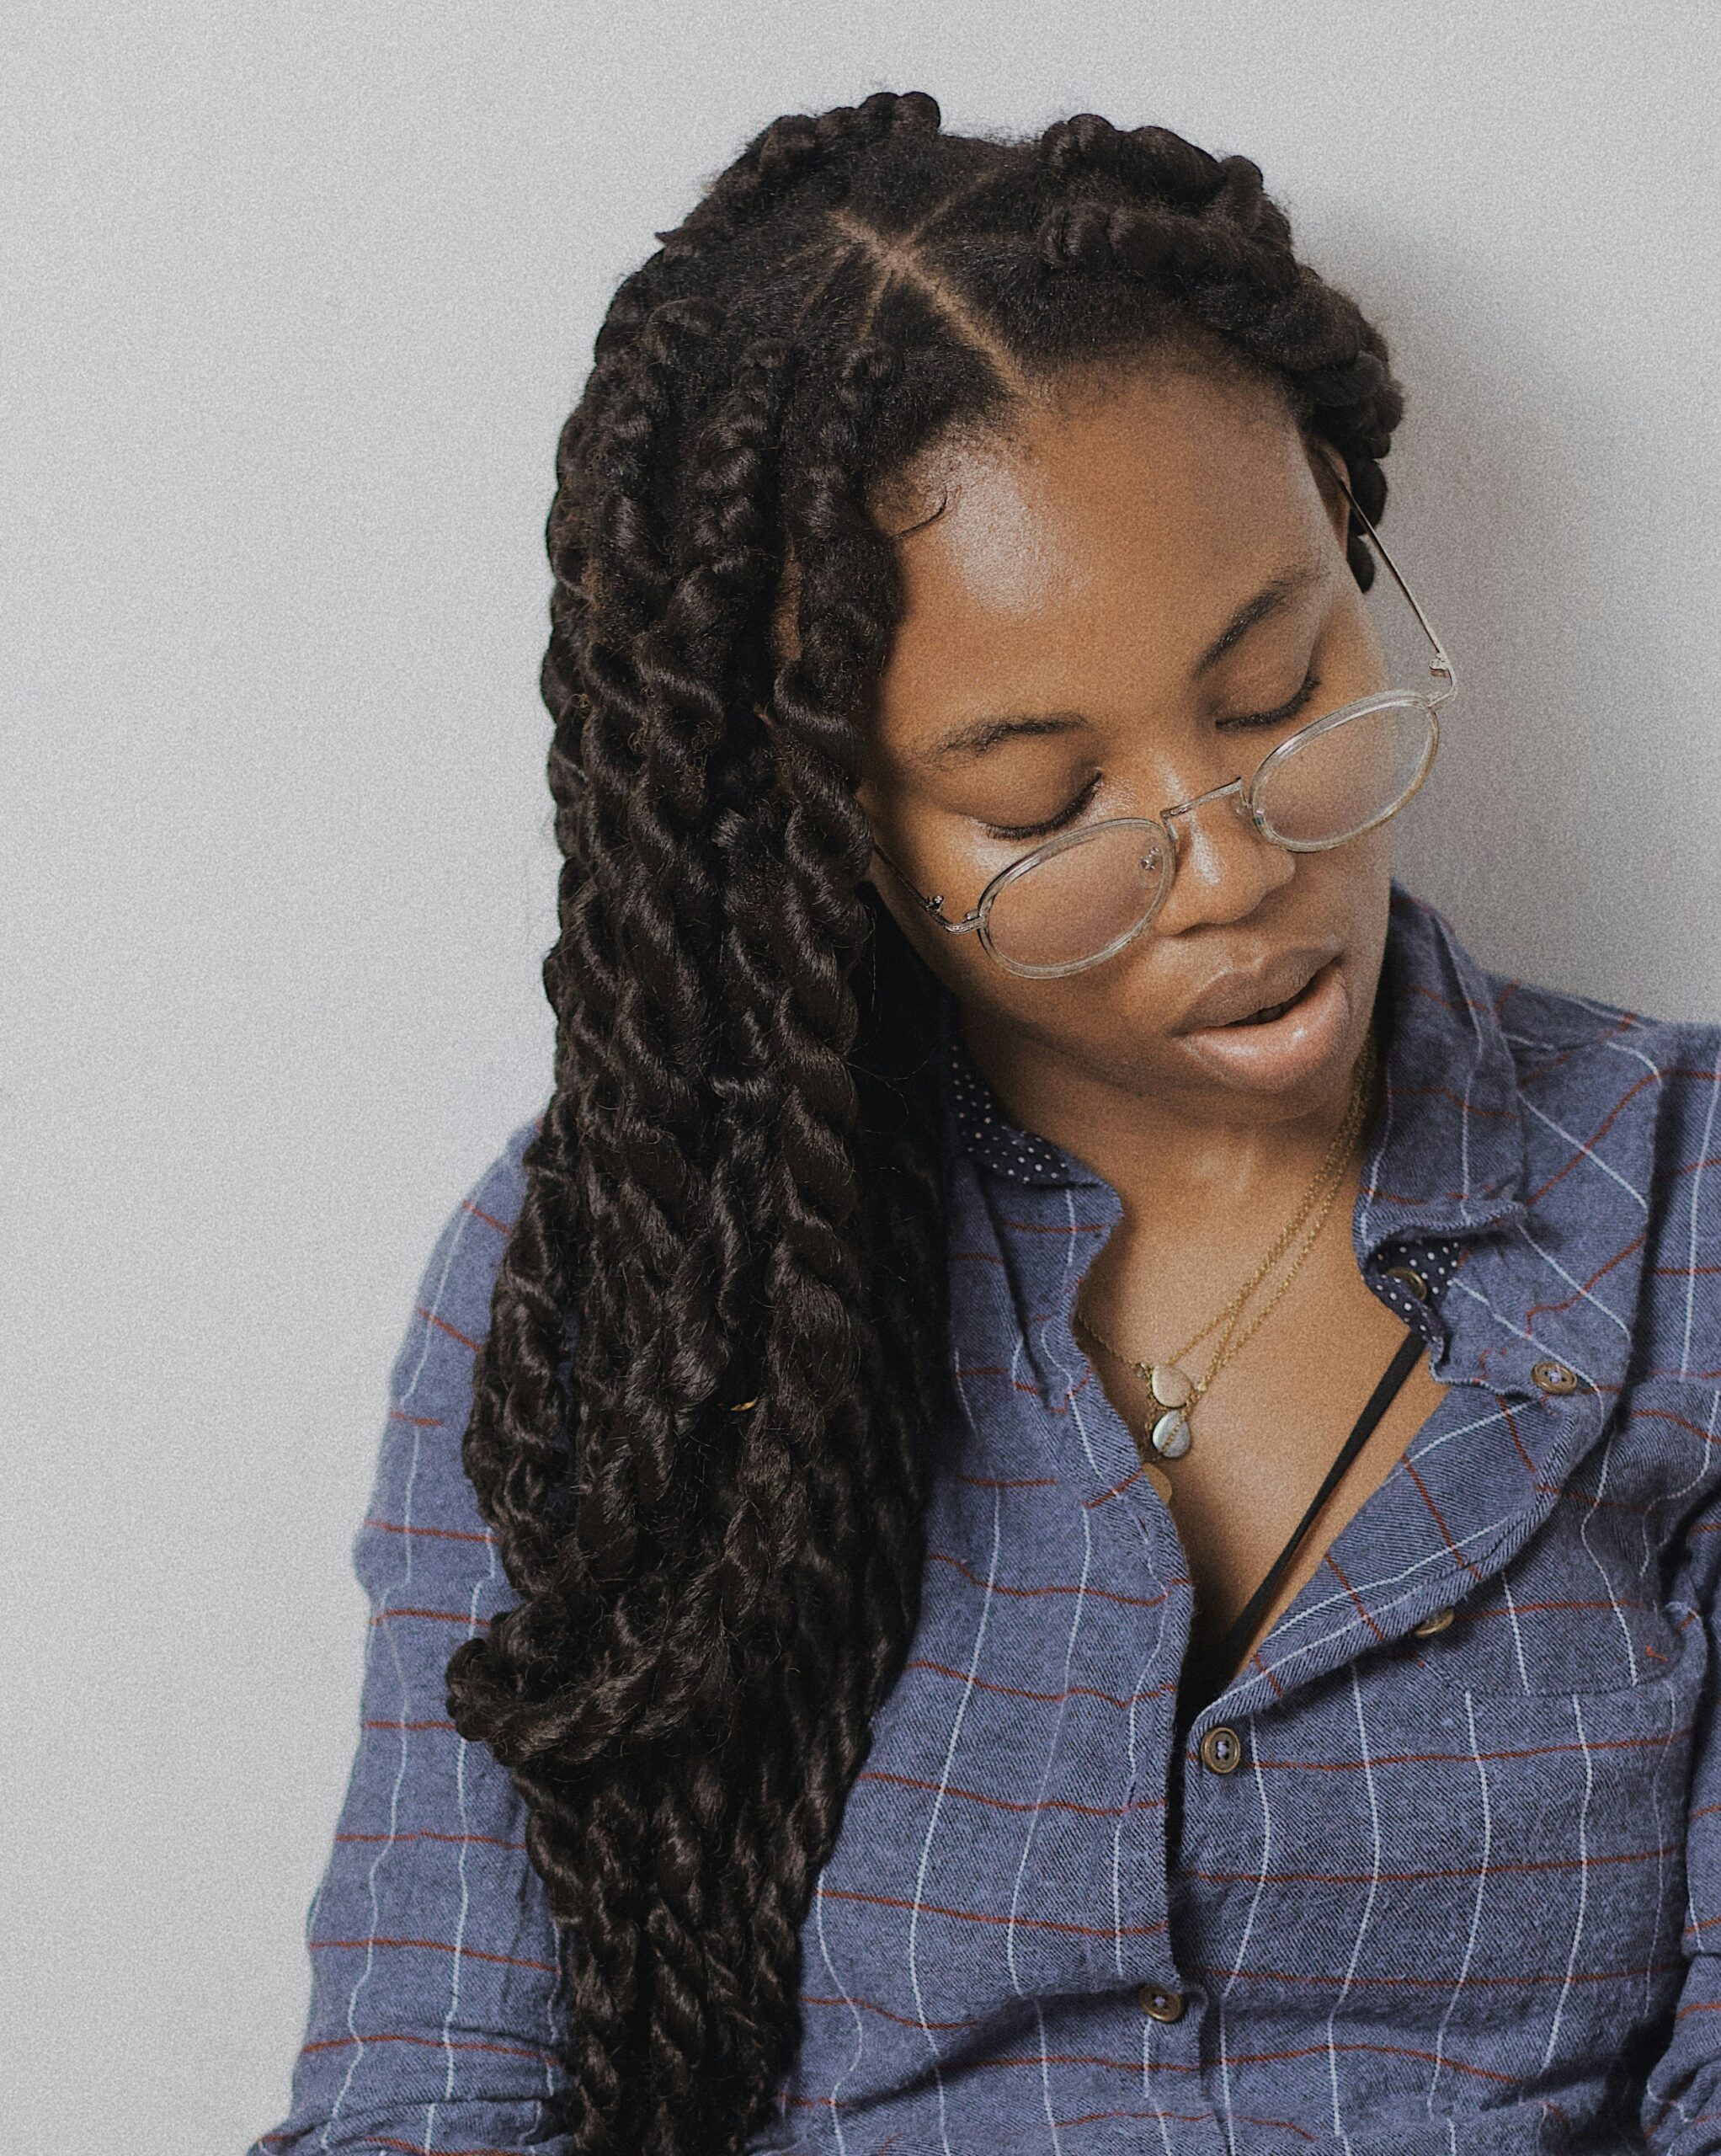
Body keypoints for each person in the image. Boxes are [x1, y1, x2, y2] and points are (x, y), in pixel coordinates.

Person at [245, 93, 1721, 2156]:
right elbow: (437, 2086)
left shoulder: (1680, 1218)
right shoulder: (621, 1281)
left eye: (1276, 682)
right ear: (832, 822)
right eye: (1041, 805)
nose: (1226, 868)